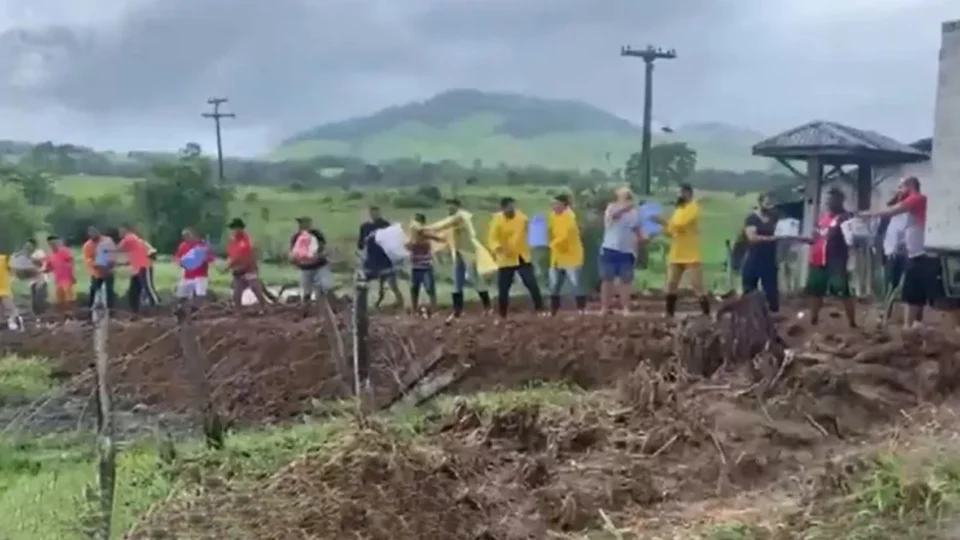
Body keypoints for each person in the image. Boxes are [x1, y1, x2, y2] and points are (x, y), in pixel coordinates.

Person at [859, 176, 931, 328]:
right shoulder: (906, 207)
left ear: (910, 185)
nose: (899, 191)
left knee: (912, 291)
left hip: (914, 254)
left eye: (901, 187)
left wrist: (869, 214)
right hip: (902, 253)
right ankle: (900, 321)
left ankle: (911, 324)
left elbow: (892, 211)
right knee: (901, 288)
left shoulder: (916, 199)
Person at [424, 198, 493, 320]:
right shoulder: (451, 220)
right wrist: (428, 234)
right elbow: (443, 236)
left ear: (458, 206)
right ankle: (457, 311)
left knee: (474, 278)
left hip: (469, 252)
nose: (449, 208)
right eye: (448, 206)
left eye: (452, 206)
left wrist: (423, 228)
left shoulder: (462, 216)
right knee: (457, 282)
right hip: (457, 253)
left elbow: (442, 225)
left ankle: (488, 308)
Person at [804, 188, 857, 327]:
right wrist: (806, 239)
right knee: (816, 291)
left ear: (840, 200)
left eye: (831, 199)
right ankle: (813, 320)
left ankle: (852, 323)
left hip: (836, 260)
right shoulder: (823, 218)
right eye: (827, 199)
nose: (828, 202)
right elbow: (815, 237)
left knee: (843, 290)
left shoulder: (846, 217)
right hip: (818, 259)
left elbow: (850, 239)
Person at [657, 184, 710, 317]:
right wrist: (663, 227)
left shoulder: (693, 207)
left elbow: (679, 223)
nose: (678, 195)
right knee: (671, 283)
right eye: (677, 193)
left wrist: (663, 221)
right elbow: (672, 230)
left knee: (697, 285)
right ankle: (669, 313)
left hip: (690, 253)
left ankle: (706, 313)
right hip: (677, 252)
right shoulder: (678, 210)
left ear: (688, 194)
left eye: (680, 193)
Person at [488, 197, 545, 320]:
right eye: (509, 207)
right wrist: (498, 248)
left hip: (521, 256)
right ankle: (502, 314)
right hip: (505, 258)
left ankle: (540, 309)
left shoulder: (521, 218)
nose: (512, 209)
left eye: (513, 206)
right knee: (503, 288)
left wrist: (538, 228)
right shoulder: (497, 220)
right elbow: (492, 238)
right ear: (503, 208)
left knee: (531, 283)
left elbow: (532, 228)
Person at [600, 187, 644, 315]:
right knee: (607, 280)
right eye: (625, 195)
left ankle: (625, 308)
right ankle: (605, 308)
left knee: (626, 281)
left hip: (627, 251)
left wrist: (642, 239)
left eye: (629, 196)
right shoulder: (611, 208)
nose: (627, 198)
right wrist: (626, 208)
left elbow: (636, 228)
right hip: (610, 248)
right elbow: (613, 217)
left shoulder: (634, 213)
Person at [357, 206, 404, 309]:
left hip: (385, 259)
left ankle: (401, 304)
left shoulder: (385, 225)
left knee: (392, 284)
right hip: (371, 260)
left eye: (376, 212)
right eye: (373, 213)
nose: (375, 215)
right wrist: (366, 241)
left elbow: (393, 240)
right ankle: (362, 305)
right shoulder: (365, 227)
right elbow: (360, 245)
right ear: (370, 213)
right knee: (363, 283)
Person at [741, 193, 781, 312]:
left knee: (772, 293)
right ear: (760, 203)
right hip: (754, 259)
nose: (769, 206)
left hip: (769, 260)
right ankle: (749, 316)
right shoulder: (752, 218)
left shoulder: (774, 217)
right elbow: (752, 237)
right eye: (767, 203)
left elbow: (782, 232)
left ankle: (772, 315)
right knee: (749, 291)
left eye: (771, 203)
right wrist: (771, 239)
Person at [547, 194, 585, 315]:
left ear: (564, 204)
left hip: (572, 256)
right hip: (557, 256)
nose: (554, 206)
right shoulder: (553, 216)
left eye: (556, 203)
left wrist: (551, 244)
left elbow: (565, 235)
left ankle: (581, 309)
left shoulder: (570, 217)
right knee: (555, 284)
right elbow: (550, 231)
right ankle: (554, 310)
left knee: (576, 283)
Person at [289, 217, 334, 314]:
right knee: (306, 291)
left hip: (320, 266)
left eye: (305, 223)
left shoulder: (316, 235)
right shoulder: (296, 237)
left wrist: (318, 256)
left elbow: (324, 250)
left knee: (325, 287)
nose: (303, 226)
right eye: (301, 224)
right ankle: (306, 312)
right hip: (305, 268)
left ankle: (329, 309)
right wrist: (295, 260)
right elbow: (292, 254)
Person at [226, 218, 270, 309]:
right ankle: (238, 311)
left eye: (235, 229)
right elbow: (231, 255)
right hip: (238, 270)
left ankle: (263, 306)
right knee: (237, 292)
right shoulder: (233, 242)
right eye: (233, 229)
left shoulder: (245, 241)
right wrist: (230, 264)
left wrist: (228, 265)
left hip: (249, 268)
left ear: (240, 229)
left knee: (255, 288)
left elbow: (240, 256)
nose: (233, 231)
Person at [118, 224, 160, 313]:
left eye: (121, 231)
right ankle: (135, 308)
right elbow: (151, 252)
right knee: (134, 288)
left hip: (144, 266)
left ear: (127, 231)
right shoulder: (139, 241)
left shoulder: (129, 238)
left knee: (147, 286)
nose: (120, 233)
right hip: (137, 268)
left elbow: (119, 248)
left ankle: (155, 305)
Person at [407, 213, 442, 316]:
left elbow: (419, 239)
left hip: (425, 266)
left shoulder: (423, 236)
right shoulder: (415, 236)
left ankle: (433, 309)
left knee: (429, 288)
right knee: (414, 289)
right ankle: (414, 309)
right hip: (415, 266)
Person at [173, 227, 215, 303]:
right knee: (181, 295)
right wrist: (180, 262)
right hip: (187, 275)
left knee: (200, 295)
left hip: (200, 275)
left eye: (187, 235)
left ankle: (198, 308)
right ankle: (182, 308)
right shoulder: (183, 245)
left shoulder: (202, 246)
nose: (186, 238)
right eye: (184, 236)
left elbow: (211, 258)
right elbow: (177, 257)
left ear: (193, 235)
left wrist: (203, 258)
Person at [82, 226, 117, 309]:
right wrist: (96, 264)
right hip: (97, 271)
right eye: (91, 234)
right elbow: (88, 259)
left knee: (109, 289)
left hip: (108, 269)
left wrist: (111, 263)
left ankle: (110, 307)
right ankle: (90, 306)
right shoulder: (87, 245)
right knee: (94, 289)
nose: (93, 235)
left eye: (95, 233)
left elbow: (113, 253)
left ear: (98, 232)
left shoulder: (108, 240)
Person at [46, 235, 76, 314]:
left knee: (69, 298)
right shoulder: (50, 255)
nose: (53, 245)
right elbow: (49, 267)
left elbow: (71, 262)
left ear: (58, 243)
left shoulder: (64, 251)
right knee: (60, 300)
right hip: (58, 280)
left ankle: (71, 314)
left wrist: (72, 275)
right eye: (51, 244)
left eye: (54, 243)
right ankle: (63, 315)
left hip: (67, 279)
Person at [0, 252, 22, 330]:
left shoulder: (4, 258)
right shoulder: (4, 258)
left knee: (10, 308)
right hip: (4, 289)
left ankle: (16, 324)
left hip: (4, 289)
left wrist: (12, 277)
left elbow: (12, 269)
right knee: (6, 310)